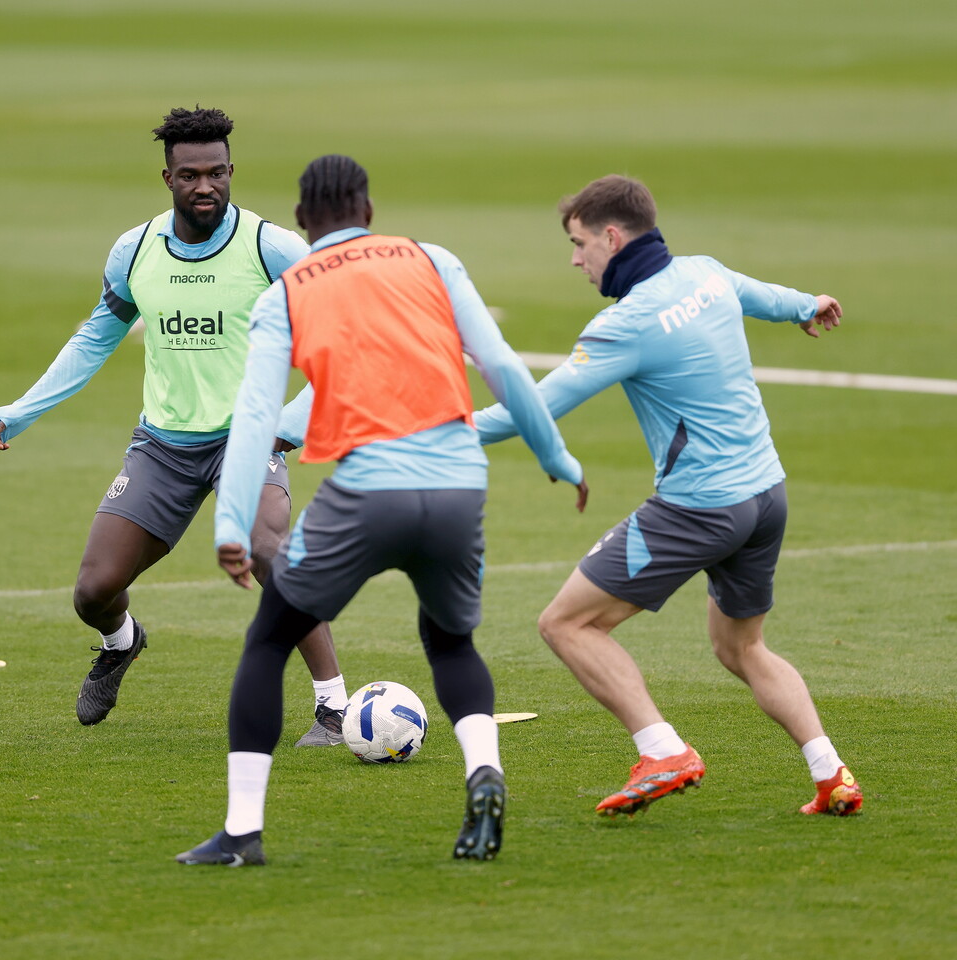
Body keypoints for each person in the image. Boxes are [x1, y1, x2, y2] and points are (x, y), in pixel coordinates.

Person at [176, 155, 587, 867]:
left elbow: (254, 420)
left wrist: (229, 524)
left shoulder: (288, 292)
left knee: (271, 641)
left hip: (366, 494)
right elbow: (502, 366)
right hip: (460, 486)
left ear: (304, 223)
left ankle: (242, 830)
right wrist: (558, 459)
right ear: (367, 209)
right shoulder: (432, 258)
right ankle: (483, 774)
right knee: (452, 643)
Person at [475, 174, 859, 818]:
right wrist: (807, 305)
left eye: (578, 244)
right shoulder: (704, 273)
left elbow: (532, 412)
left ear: (612, 236)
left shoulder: (624, 324)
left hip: (699, 508)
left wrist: (433, 430)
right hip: (766, 496)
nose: (575, 260)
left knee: (566, 623)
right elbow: (762, 296)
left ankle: (662, 749)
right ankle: (831, 773)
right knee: (742, 647)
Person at [0, 107, 349, 745]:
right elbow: (96, 336)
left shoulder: (273, 248)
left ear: (232, 172)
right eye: (190, 175)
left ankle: (333, 707)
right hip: (163, 447)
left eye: (218, 173)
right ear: (167, 178)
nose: (206, 187)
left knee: (268, 552)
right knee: (93, 590)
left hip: (246, 439)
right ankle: (121, 643)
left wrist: (287, 422)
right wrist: (19, 410)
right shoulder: (136, 250)